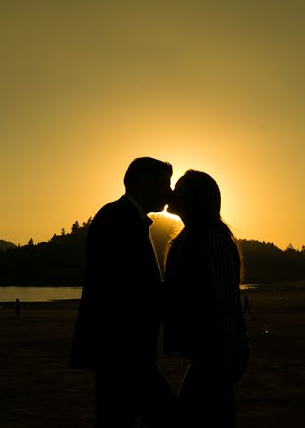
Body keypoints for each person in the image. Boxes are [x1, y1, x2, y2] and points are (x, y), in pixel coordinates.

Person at [69, 157, 177, 427]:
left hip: (123, 353)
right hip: (122, 353)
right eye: (165, 183)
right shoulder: (117, 218)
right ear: (142, 183)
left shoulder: (125, 218)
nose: (169, 191)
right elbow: (123, 289)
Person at [163, 170, 245, 427]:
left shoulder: (212, 240)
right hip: (206, 353)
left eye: (179, 189)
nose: (171, 193)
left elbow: (224, 305)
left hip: (216, 354)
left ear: (193, 200)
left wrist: (223, 358)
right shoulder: (187, 239)